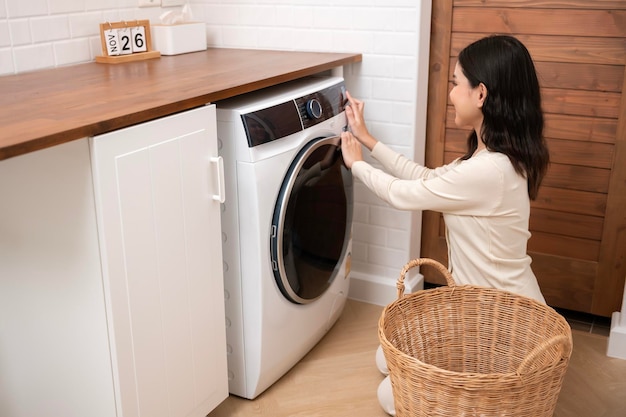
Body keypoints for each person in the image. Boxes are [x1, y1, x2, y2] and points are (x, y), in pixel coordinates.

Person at [340, 34, 550, 416]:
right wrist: (368, 140)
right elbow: (425, 179)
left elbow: (405, 195)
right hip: (479, 306)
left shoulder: (490, 171)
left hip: (500, 319)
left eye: (456, 83)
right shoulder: (495, 158)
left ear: (481, 94)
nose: (451, 93)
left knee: (391, 395)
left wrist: (356, 166)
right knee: (386, 360)